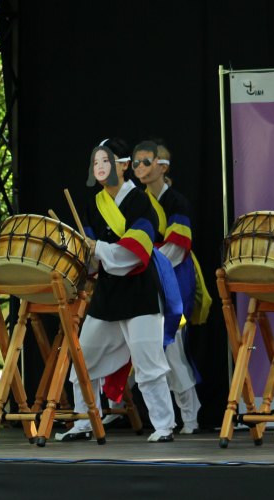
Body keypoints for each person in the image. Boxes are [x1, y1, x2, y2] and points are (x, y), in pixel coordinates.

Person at [55, 139, 179, 443]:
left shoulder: (140, 202)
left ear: (123, 166)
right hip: (109, 292)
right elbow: (93, 259)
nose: (99, 167)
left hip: (140, 289)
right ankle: (86, 420)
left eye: (106, 161)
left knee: (148, 362)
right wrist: (85, 253)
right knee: (85, 358)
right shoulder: (93, 204)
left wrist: (99, 248)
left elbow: (137, 249)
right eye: (96, 161)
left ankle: (163, 425)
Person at [132, 141, 211, 434]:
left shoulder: (177, 202)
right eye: (136, 162)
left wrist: (138, 263)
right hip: (141, 278)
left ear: (162, 166)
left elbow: (177, 247)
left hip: (173, 280)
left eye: (146, 161)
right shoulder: (136, 202)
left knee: (172, 349)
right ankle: (107, 412)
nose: (139, 167)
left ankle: (190, 416)